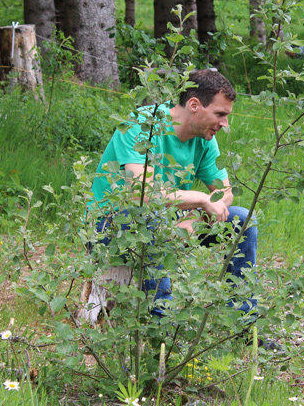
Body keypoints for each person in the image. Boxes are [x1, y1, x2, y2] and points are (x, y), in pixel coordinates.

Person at [87, 69, 257, 315]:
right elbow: (141, 195)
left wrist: (196, 220)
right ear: (194, 105)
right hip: (110, 225)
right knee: (151, 220)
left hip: (165, 220)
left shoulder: (205, 139)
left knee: (242, 220)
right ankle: (161, 324)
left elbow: (225, 193)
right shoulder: (143, 124)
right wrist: (200, 199)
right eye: (220, 114)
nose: (224, 124)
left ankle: (243, 320)